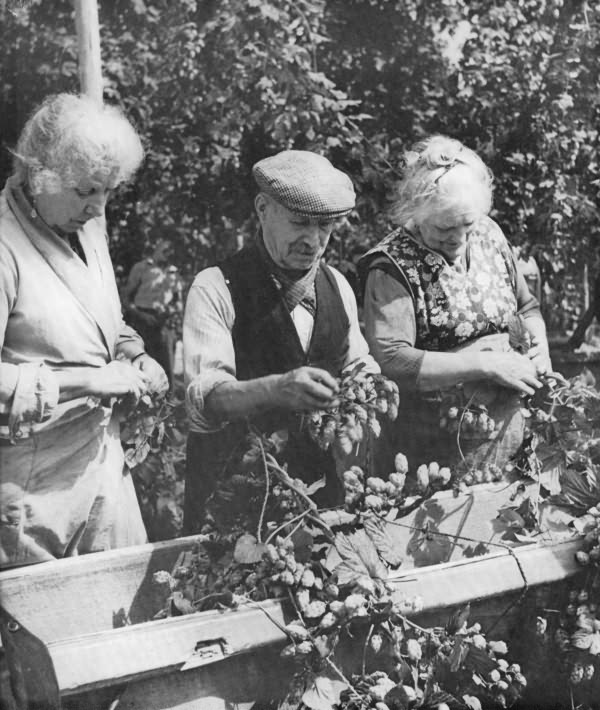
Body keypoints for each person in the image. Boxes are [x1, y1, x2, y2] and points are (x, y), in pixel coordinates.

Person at [0, 93, 168, 568]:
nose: (98, 207)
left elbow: (101, 321)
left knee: (123, 622)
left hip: (102, 474)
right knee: (43, 634)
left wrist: (134, 355)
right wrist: (87, 380)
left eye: (108, 191)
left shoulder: (86, 229)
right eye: (85, 191)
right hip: (31, 494)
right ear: (39, 174)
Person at [183, 150, 378, 530]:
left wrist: (366, 392)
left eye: (325, 226)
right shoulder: (216, 286)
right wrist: (277, 389)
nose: (313, 240)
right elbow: (207, 400)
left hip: (320, 499)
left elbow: (358, 365)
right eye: (299, 222)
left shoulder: (338, 285)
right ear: (262, 208)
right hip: (233, 501)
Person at [360, 135, 551, 473]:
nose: (459, 239)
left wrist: (540, 347)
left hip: (508, 433)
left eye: (467, 224)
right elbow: (394, 360)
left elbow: (527, 307)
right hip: (433, 449)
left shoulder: (489, 233)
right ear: (415, 213)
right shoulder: (391, 267)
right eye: (444, 228)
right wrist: (486, 365)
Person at [122, 238, 183, 387]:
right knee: (138, 364)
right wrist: (142, 315)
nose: (168, 254)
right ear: (156, 248)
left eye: (171, 251)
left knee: (167, 365)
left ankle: (167, 405)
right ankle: (137, 405)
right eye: (165, 250)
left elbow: (179, 302)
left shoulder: (174, 273)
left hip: (163, 322)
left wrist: (172, 309)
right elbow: (125, 298)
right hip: (141, 319)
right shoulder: (141, 268)